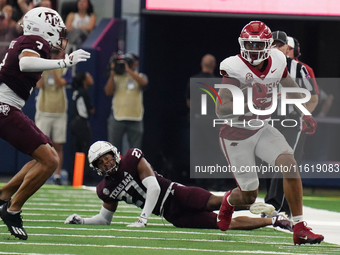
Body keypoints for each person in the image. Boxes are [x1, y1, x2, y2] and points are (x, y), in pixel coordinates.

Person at [215, 21, 323, 245]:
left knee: (289, 164)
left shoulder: (277, 59)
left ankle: (300, 226)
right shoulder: (233, 67)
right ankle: (228, 201)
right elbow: (221, 109)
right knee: (249, 196)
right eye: (249, 44)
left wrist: (304, 113)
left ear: (268, 45)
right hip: (235, 134)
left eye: (258, 44)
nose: (253, 49)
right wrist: (249, 101)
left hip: (261, 127)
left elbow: (290, 86)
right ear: (243, 44)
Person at [0, 7, 90, 240]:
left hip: (7, 107)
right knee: (50, 161)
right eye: (56, 30)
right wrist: (65, 63)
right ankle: (12, 209)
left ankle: (4, 195)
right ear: (44, 28)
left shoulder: (28, 40)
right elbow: (26, 64)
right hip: (4, 108)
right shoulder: (35, 40)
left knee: (46, 154)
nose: (59, 36)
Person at [64, 141, 293, 232]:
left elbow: (153, 188)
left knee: (217, 201)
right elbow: (105, 219)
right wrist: (83, 220)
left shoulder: (132, 159)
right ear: (97, 167)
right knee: (224, 225)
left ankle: (251, 202)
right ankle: (273, 220)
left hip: (176, 193)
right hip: (170, 214)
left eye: (107, 157)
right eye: (101, 162)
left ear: (114, 154)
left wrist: (142, 219)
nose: (106, 163)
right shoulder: (104, 188)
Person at [263, 31, 318, 217]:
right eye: (274, 45)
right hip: (267, 120)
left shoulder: (299, 69)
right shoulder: (260, 68)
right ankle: (282, 206)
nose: (277, 49)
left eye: (281, 45)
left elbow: (312, 96)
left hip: (291, 121)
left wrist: (305, 115)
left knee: (286, 160)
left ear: (288, 48)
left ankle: (273, 204)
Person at [35, 48, 69, 185]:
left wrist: (53, 66)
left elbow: (60, 83)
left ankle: (57, 175)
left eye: (56, 54)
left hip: (59, 112)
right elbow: (39, 85)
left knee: (58, 145)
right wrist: (45, 67)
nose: (54, 56)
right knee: (40, 146)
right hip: (43, 111)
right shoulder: (42, 68)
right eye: (52, 54)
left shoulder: (66, 69)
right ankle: (38, 173)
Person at [104, 53, 148, 153]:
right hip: (118, 117)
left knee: (136, 151)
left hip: (135, 118)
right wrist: (112, 74)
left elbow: (144, 83)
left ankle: (132, 168)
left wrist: (128, 71)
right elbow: (108, 92)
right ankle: (114, 168)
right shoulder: (116, 78)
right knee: (113, 149)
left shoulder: (139, 76)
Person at [70, 71, 95, 185]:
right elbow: (90, 110)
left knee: (77, 149)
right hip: (81, 123)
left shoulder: (76, 92)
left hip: (75, 122)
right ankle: (84, 178)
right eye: (89, 76)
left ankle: (74, 176)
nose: (91, 77)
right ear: (84, 80)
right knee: (85, 149)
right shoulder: (83, 92)